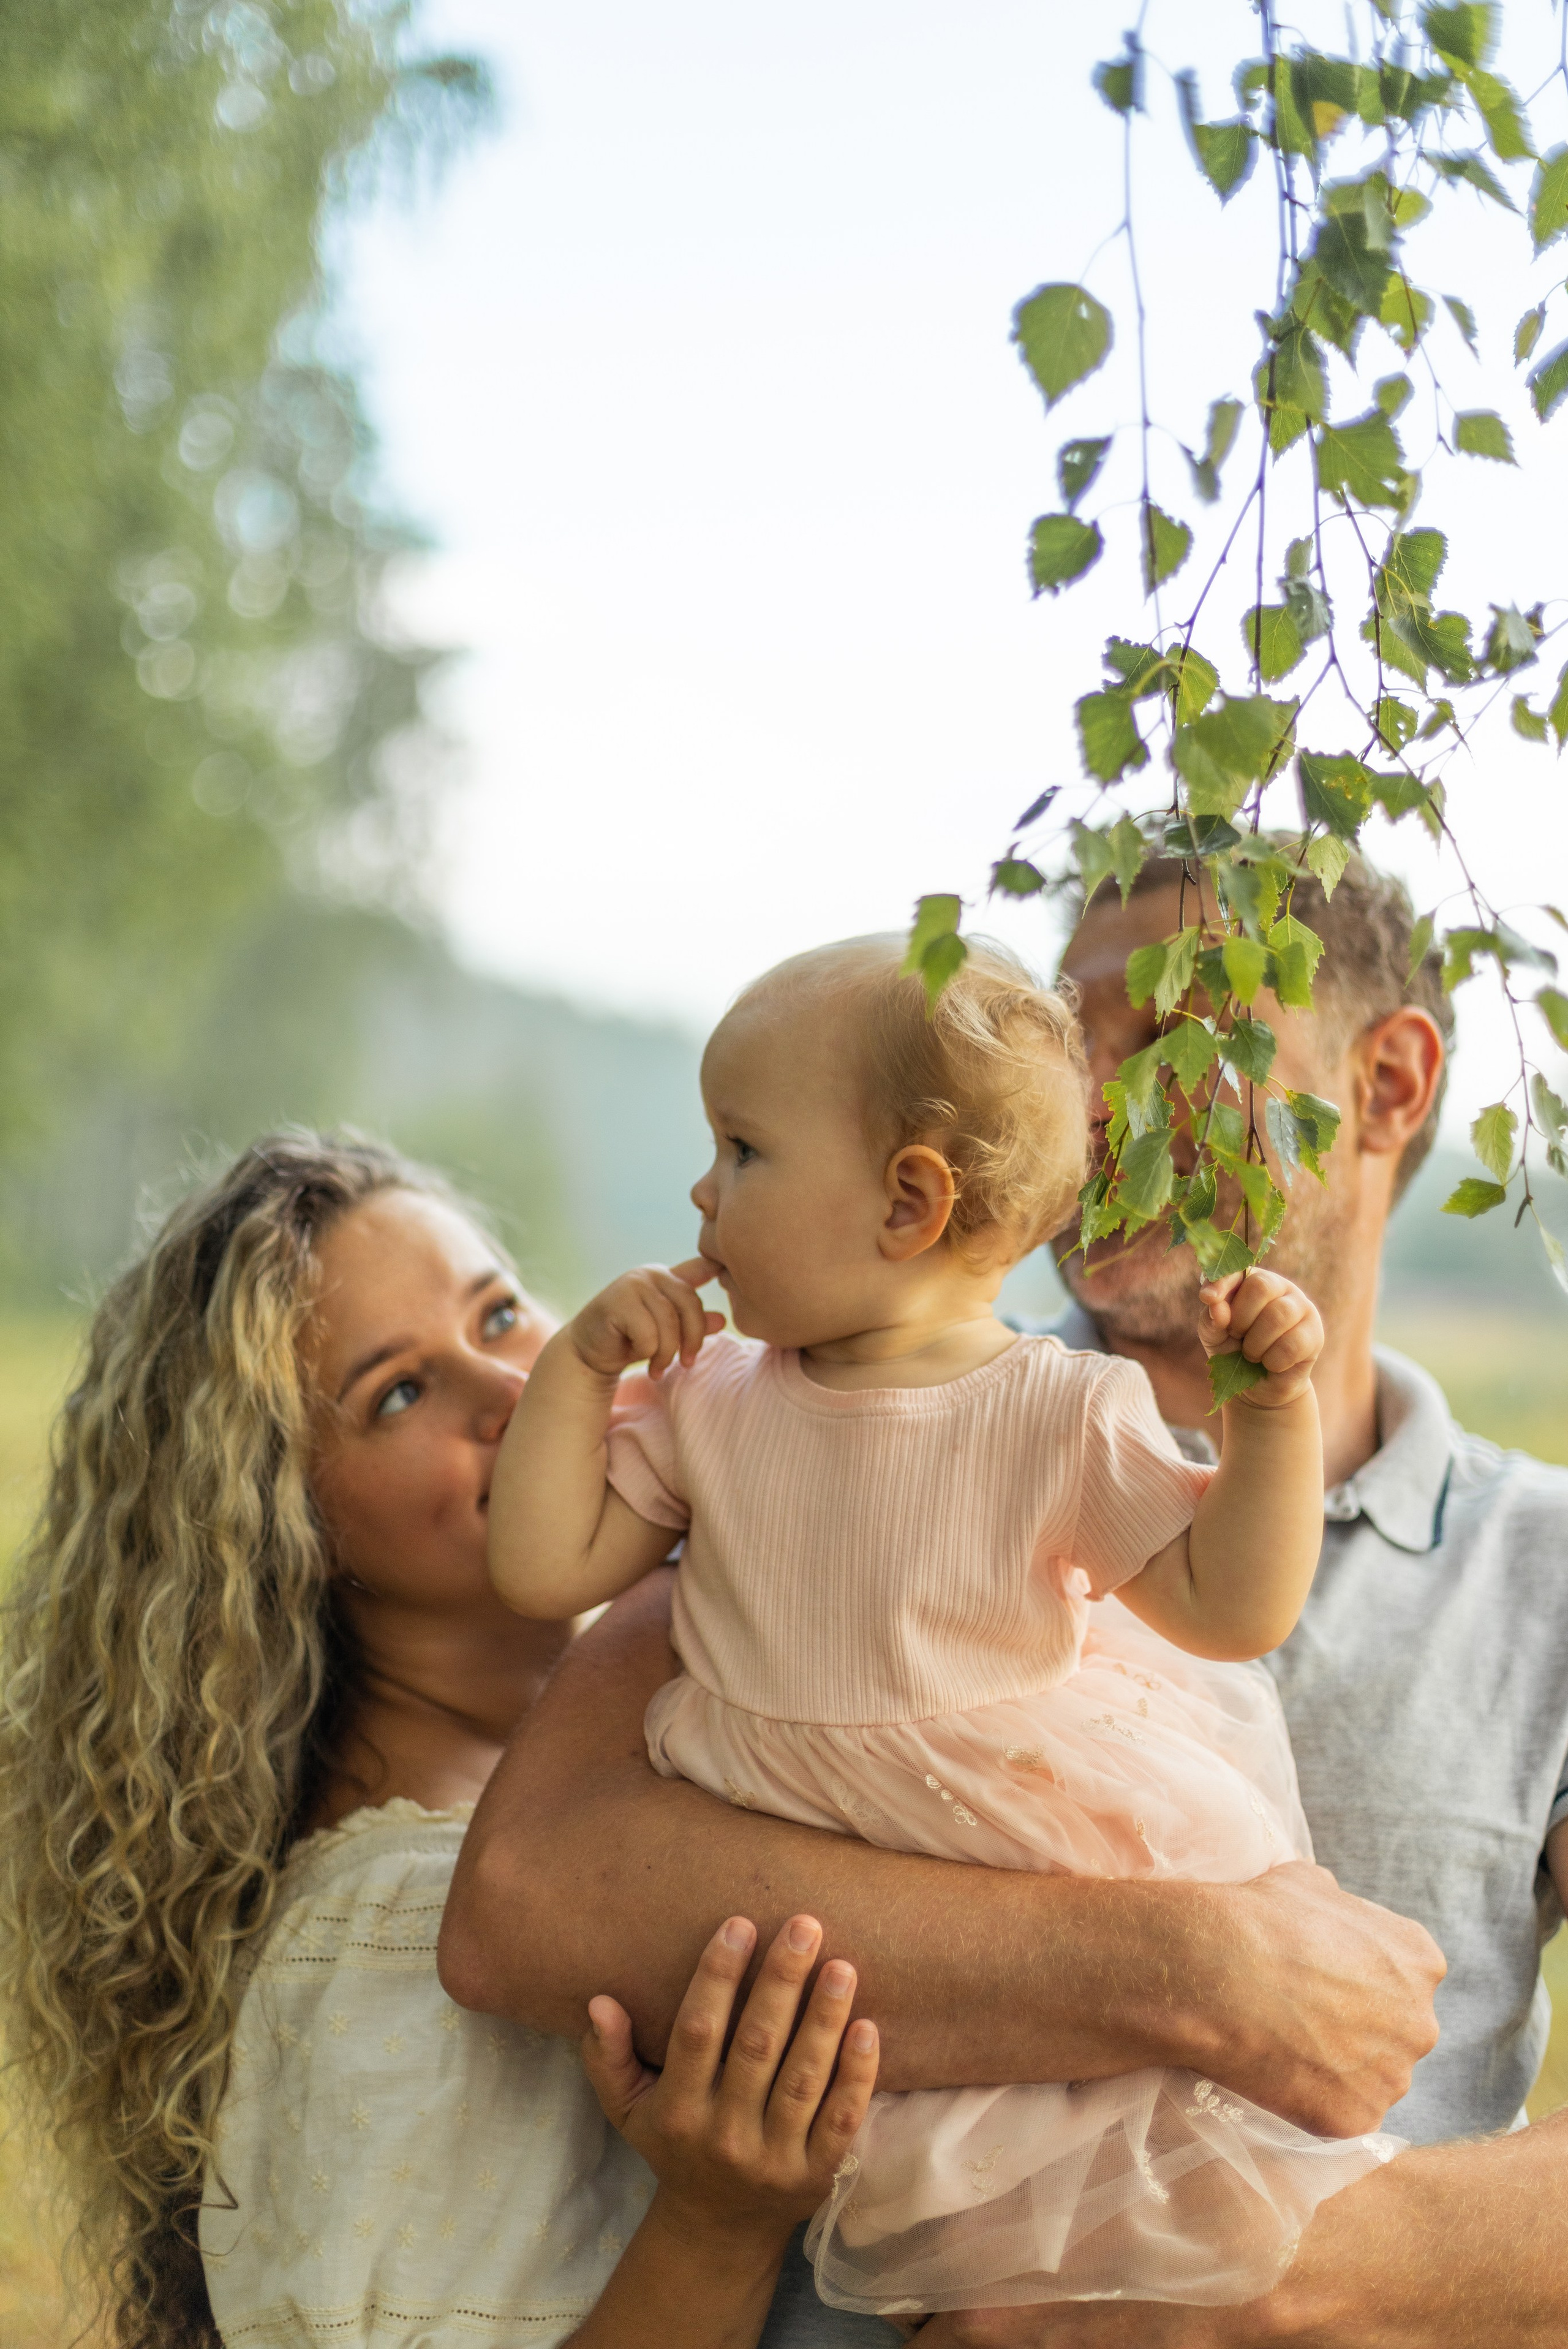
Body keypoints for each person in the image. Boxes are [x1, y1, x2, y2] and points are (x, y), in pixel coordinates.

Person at [440, 847, 1568, 2344]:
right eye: (1066, 1035)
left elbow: (1226, 1598)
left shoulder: (1539, 1572)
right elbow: (527, 1906)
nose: (1090, 1102)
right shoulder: (792, 1421)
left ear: (1386, 1084)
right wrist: (1196, 1971)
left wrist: (1271, 2293)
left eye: (1167, 1034)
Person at [0, 1132, 897, 2349]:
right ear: (283, 1531)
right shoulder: (390, 1941)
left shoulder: (644, 1733)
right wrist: (715, 2227)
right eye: (401, 1394)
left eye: (498, 1311)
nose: (516, 1391)